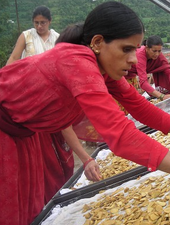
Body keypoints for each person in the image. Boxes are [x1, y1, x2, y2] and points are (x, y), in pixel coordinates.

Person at [0, 1, 170, 224]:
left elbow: (143, 108)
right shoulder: (77, 61)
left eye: (136, 49)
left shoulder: (101, 66)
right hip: (6, 134)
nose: (134, 58)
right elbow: (121, 136)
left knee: (29, 206)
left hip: (25, 133)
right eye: (127, 49)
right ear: (97, 42)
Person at [5, 5, 101, 204]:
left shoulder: (57, 39)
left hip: (47, 100)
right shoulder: (27, 36)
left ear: (49, 22)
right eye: (36, 23)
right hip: (32, 100)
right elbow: (14, 59)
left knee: (55, 159)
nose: (39, 26)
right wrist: (11, 82)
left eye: (43, 23)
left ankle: (51, 197)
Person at [127, 35, 170, 101]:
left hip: (132, 78)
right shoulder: (140, 55)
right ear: (147, 48)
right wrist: (161, 96)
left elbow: (168, 71)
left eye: (159, 51)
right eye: (154, 51)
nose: (157, 54)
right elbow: (143, 82)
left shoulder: (159, 55)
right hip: (122, 77)